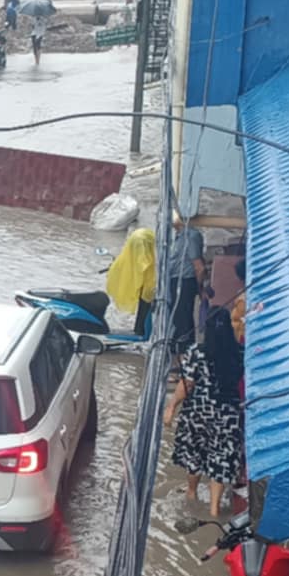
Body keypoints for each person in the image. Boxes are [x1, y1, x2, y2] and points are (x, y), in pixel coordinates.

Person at [164, 309, 244, 518]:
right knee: (219, 461)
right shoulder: (239, 353)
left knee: (194, 456)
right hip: (228, 416)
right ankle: (214, 509)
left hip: (198, 415)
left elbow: (187, 383)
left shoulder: (197, 352)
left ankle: (192, 495)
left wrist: (171, 407)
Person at [105, 227, 157, 335]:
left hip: (149, 287)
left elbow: (141, 266)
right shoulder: (150, 254)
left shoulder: (147, 257)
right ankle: (139, 330)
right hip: (148, 287)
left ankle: (141, 331)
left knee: (145, 308)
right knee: (144, 307)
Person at [166, 218, 207, 351]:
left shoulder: (190, 236)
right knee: (178, 316)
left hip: (184, 282)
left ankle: (183, 350)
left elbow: (199, 266)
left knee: (182, 318)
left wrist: (199, 287)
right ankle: (180, 347)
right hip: (176, 280)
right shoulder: (178, 236)